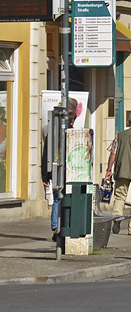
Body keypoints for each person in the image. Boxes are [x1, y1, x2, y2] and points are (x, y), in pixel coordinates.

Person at [42, 97, 81, 234]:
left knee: (57, 198)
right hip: (68, 171)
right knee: (66, 197)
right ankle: (65, 224)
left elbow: (46, 152)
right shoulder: (73, 134)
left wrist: (45, 175)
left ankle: (55, 226)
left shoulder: (51, 130)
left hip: (54, 169)